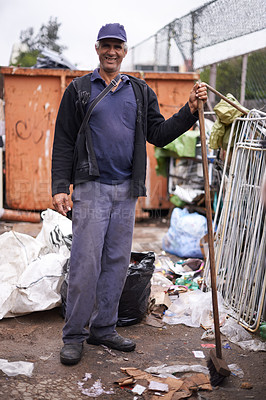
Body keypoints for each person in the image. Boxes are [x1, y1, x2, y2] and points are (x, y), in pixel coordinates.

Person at [52, 23, 208, 365]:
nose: (112, 51)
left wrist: (189, 111)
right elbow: (63, 139)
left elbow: (159, 133)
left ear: (124, 51)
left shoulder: (138, 91)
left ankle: (103, 328)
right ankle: (75, 334)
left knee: (117, 262)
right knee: (84, 264)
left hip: (126, 189)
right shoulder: (79, 89)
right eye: (106, 45)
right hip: (91, 187)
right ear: (97, 48)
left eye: (117, 46)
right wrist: (60, 187)